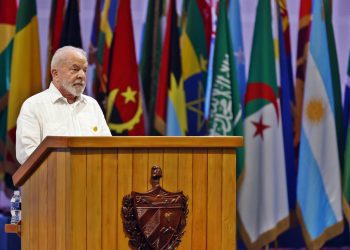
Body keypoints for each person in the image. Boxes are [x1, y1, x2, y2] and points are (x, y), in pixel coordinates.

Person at [16, 46, 111, 164]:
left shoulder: (92, 105)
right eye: (75, 69)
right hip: (52, 180)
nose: (82, 75)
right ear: (55, 74)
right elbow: (26, 154)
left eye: (85, 70)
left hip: (93, 178)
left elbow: (108, 148)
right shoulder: (33, 106)